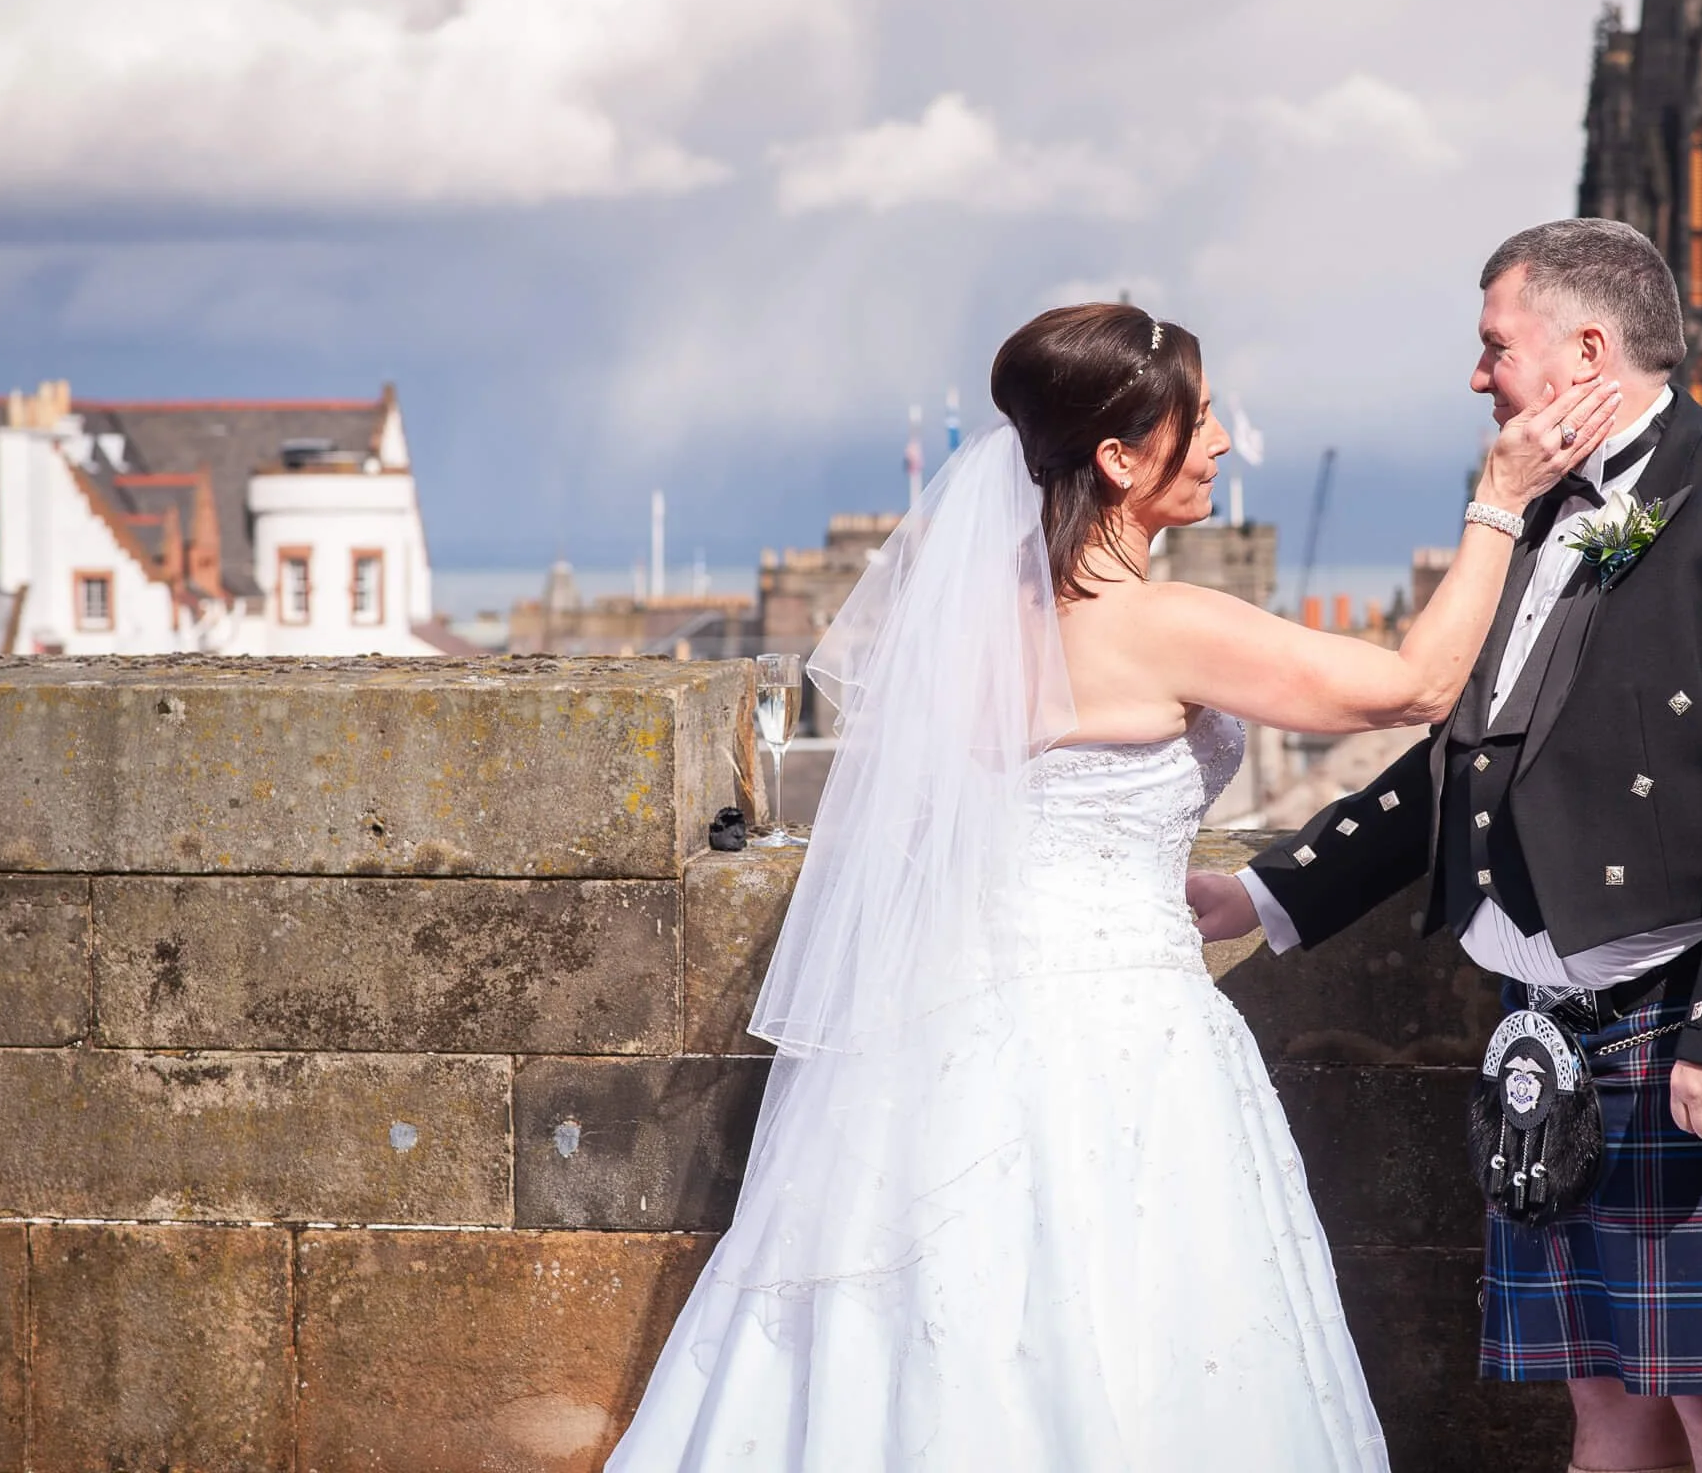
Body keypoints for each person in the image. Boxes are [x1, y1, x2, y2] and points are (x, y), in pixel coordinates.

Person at [606, 302, 1618, 1471]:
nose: (1224, 441)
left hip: (946, 1031)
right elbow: (1414, 684)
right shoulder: (1157, 623)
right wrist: (1498, 497)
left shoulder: (980, 621)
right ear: (1120, 457)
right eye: (1197, 420)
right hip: (1120, 1036)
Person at [1191, 219, 1702, 1473]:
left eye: (1492, 344)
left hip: (1685, 1014)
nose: (1476, 376)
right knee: (1606, 1410)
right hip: (1547, 1032)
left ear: (1583, 348)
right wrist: (1269, 889)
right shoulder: (1526, 516)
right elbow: (1468, 756)